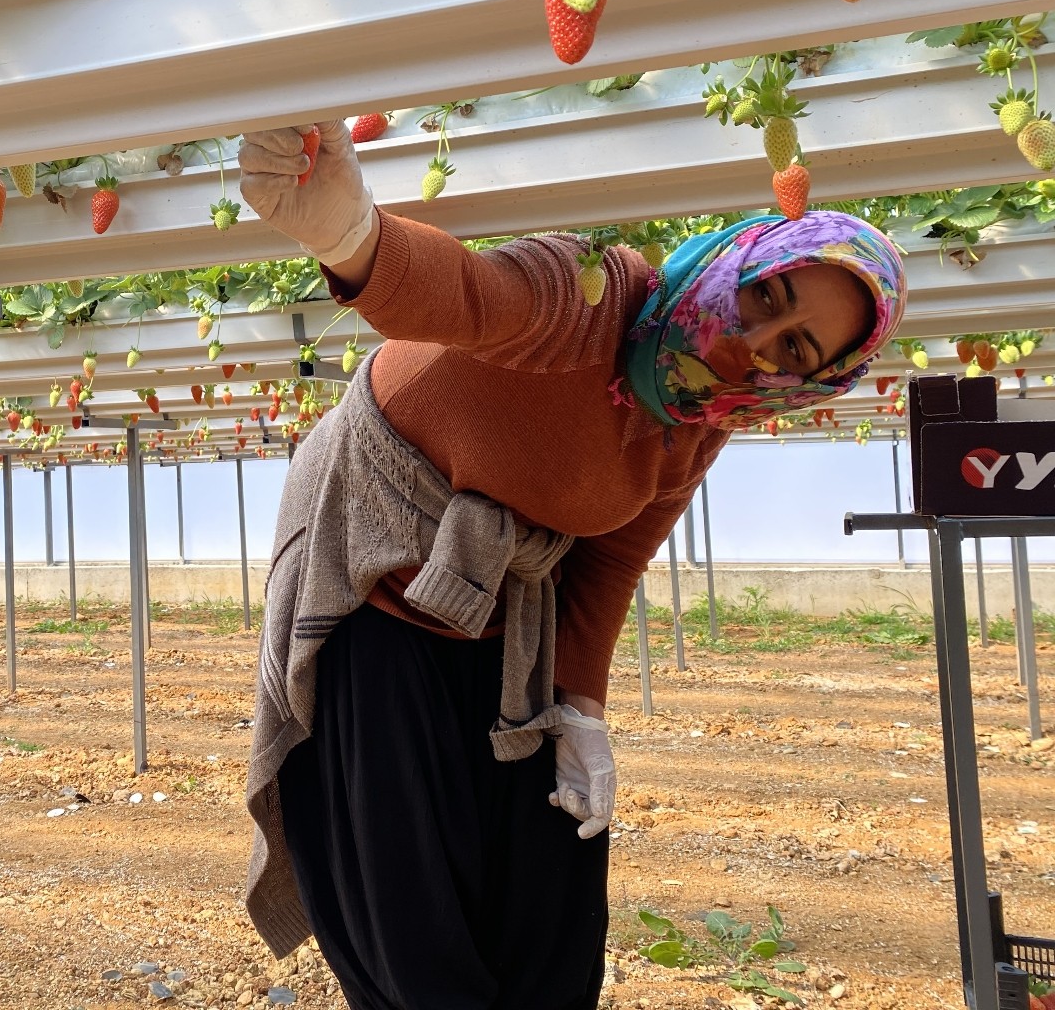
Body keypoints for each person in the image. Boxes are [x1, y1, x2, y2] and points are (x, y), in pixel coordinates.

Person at [236, 120, 906, 1010]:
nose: (756, 337)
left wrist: (581, 712)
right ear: (739, 259)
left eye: (793, 348)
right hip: (376, 577)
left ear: (805, 382)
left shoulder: (696, 427)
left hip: (509, 606)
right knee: (411, 892)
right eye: (768, 294)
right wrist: (351, 236)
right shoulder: (596, 292)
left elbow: (609, 566)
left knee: (548, 896)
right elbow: (469, 295)